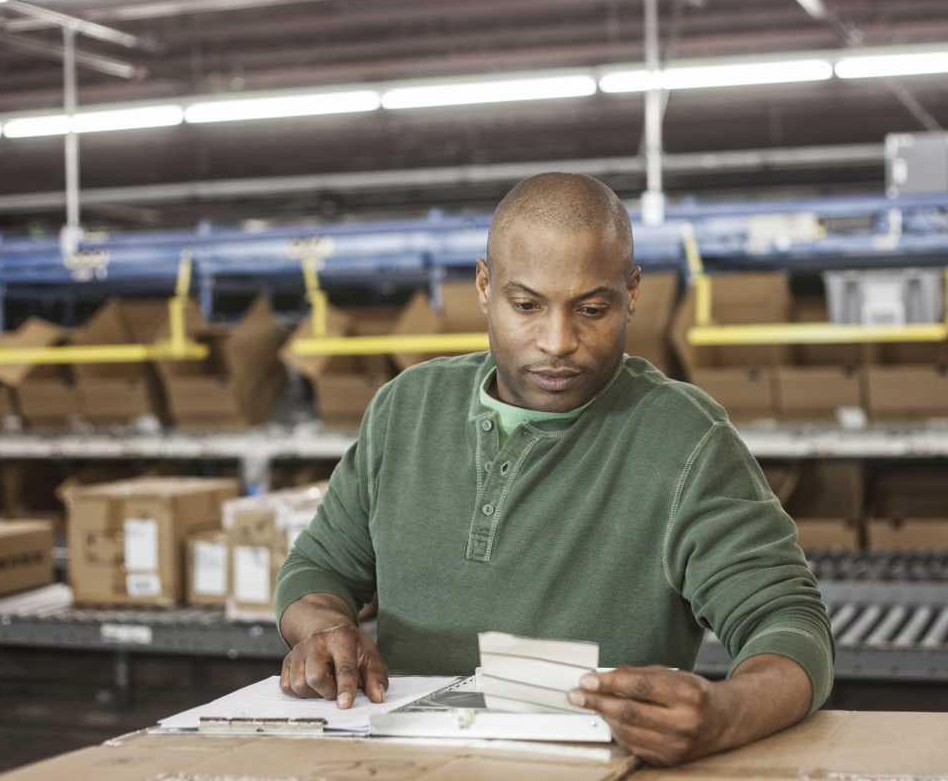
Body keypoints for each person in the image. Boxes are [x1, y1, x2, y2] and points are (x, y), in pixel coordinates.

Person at [275, 172, 834, 767]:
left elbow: (789, 624)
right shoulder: (405, 410)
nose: (558, 341)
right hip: (404, 765)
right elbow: (318, 568)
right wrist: (321, 632)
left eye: (592, 309)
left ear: (633, 292)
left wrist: (727, 713)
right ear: (484, 285)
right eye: (526, 306)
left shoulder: (685, 441)